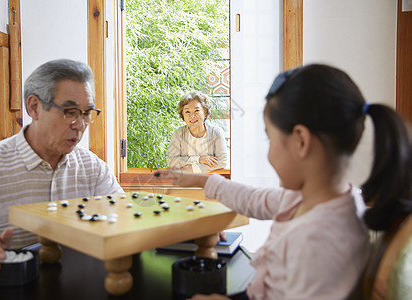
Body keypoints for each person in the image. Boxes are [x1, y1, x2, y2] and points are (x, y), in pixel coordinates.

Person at [156, 64, 412, 299]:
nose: (269, 153)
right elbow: (254, 199)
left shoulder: (318, 241)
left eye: (270, 138)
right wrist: (200, 181)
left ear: (301, 141)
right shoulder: (318, 198)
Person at [0, 59, 123, 286]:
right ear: (34, 107)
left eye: (87, 112)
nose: (80, 125)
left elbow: (124, 219)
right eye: (70, 111)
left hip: (74, 288)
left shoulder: (92, 168)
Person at [167, 91, 227, 173]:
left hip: (210, 182)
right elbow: (172, 161)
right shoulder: (179, 133)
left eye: (197, 110)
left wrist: (192, 169)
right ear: (183, 115)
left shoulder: (216, 133)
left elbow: (222, 161)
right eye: (187, 112)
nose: (192, 116)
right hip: (185, 182)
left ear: (205, 113)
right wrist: (198, 159)